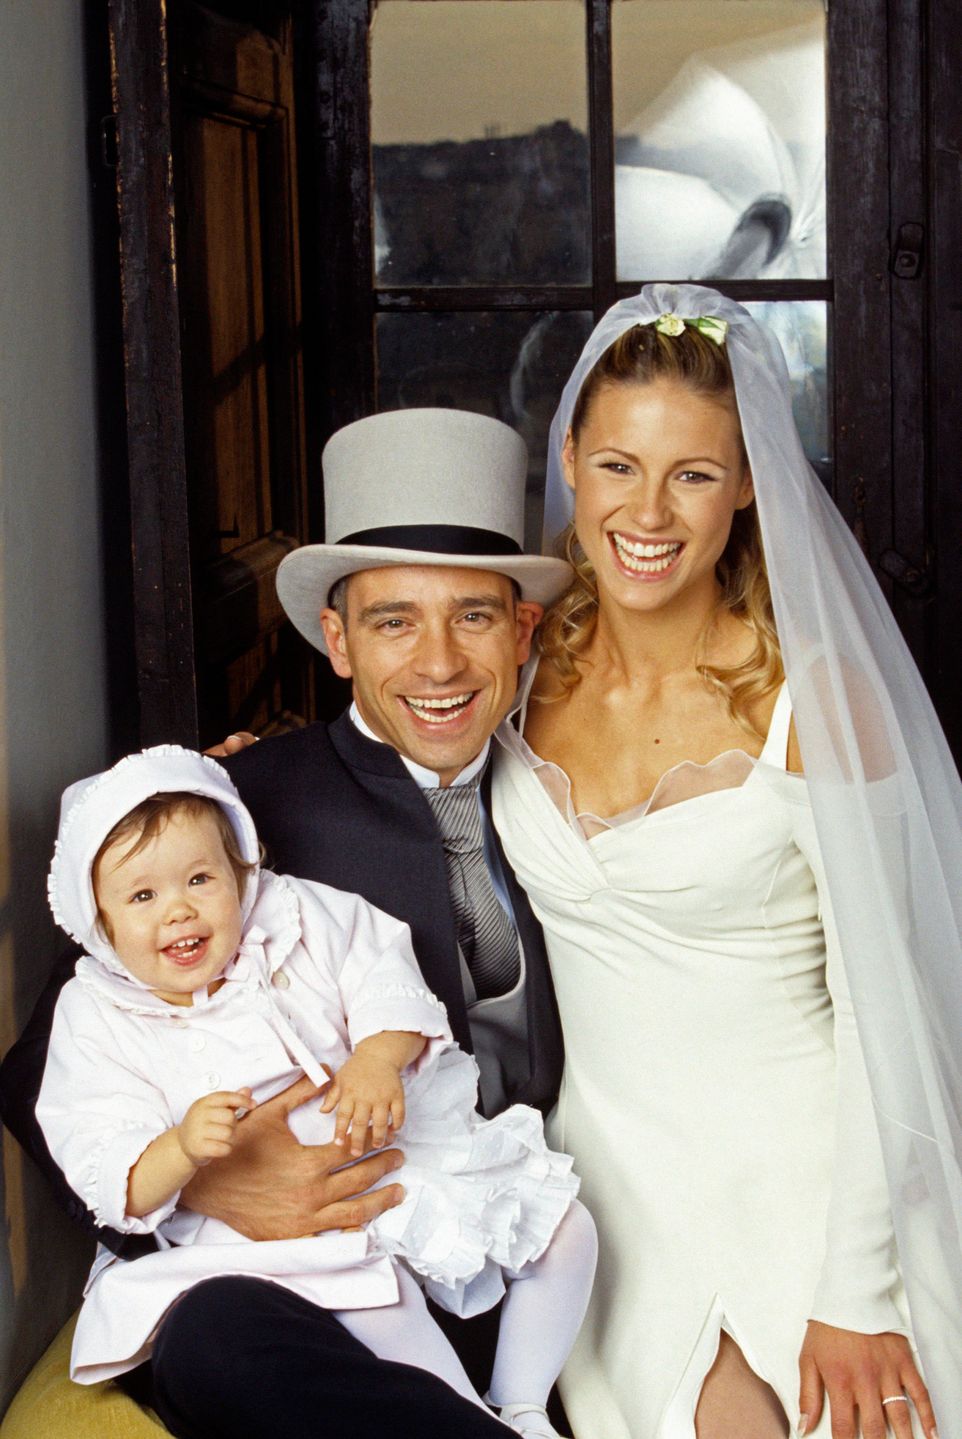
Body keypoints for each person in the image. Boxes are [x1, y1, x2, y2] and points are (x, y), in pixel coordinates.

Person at [0, 407, 575, 1439]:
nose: (438, 663)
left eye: (475, 616)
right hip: (288, 1268)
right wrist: (219, 1189)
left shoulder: (575, 789)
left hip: (490, 1206)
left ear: (522, 632)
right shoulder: (233, 809)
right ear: (337, 639)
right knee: (220, 1338)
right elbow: (45, 1062)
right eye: (394, 619)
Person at [491, 285, 962, 1439]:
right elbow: (384, 755)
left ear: (749, 482)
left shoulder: (814, 699)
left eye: (692, 473)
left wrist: (852, 1288)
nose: (646, 510)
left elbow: (885, 1016)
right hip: (600, 1196)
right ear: (568, 460)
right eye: (615, 465)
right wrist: (231, 790)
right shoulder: (518, 660)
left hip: (803, 1188)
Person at [38, 746, 596, 1434]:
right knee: (376, 1304)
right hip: (258, 1238)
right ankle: (471, 1420)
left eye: (200, 878)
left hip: (389, 1156)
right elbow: (99, 1146)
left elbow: (385, 980)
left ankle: (522, 1404)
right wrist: (182, 1150)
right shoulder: (98, 1012)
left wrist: (376, 1058)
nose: (178, 910)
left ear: (242, 873)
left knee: (566, 1229)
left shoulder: (295, 914)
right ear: (101, 919)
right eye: (143, 895)